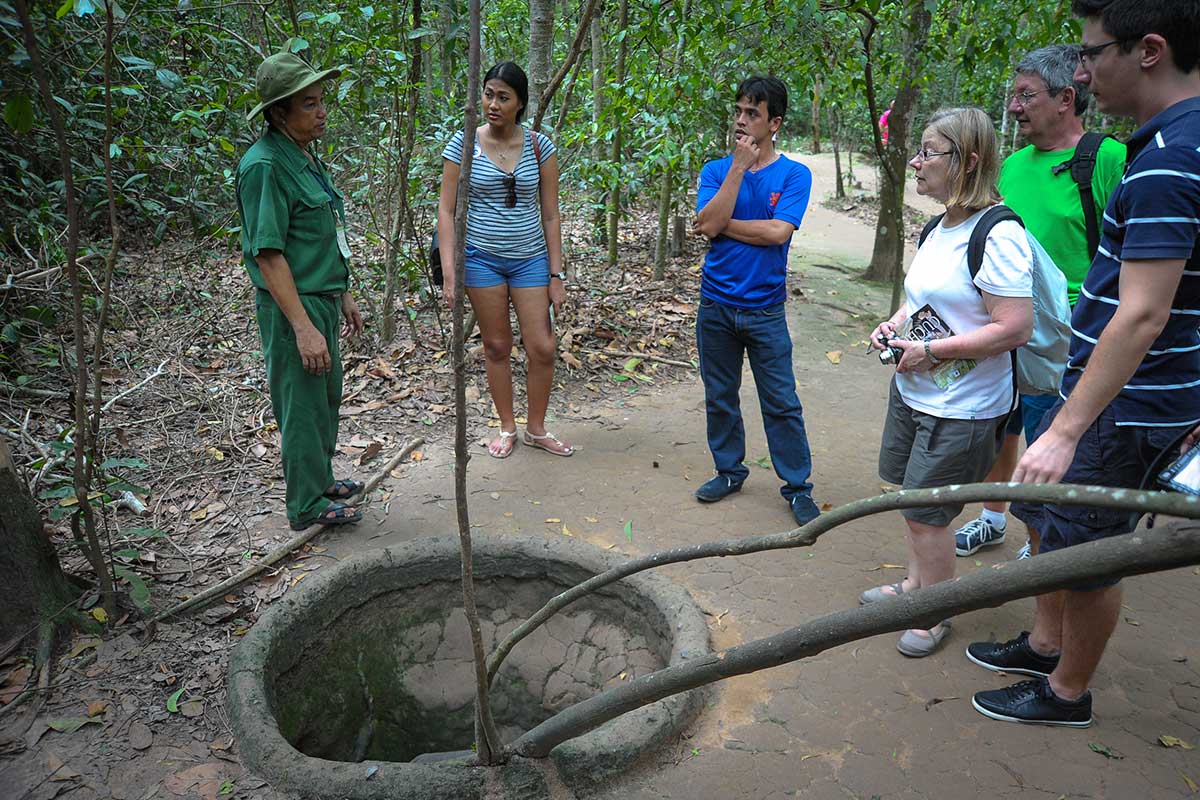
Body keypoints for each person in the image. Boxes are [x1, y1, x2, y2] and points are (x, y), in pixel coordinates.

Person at [968, 0, 1200, 727]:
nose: (1084, 72)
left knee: (1091, 554)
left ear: (1149, 50)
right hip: (1099, 388)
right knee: (1052, 523)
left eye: (1093, 53)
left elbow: (1143, 313)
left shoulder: (1168, 160)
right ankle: (1045, 645)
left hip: (1121, 406)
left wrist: (1066, 429)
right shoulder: (1165, 146)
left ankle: (1067, 692)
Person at [863, 107, 1033, 658]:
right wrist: (895, 324)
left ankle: (934, 613)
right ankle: (917, 587)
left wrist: (932, 351)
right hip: (917, 390)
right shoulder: (939, 226)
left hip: (963, 405)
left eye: (928, 152)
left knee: (927, 514)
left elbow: (1015, 328)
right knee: (914, 504)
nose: (916, 162)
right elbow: (924, 298)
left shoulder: (998, 234)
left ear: (968, 161)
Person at [953, 45, 1126, 560]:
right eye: (1014, 96)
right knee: (1000, 425)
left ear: (1066, 98)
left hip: (1069, 333)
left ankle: (1042, 539)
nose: (1014, 107)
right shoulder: (1012, 166)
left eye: (1026, 96)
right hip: (1005, 324)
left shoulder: (1107, 159)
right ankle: (992, 519)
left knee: (1048, 434)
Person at [236, 40, 365, 532]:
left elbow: (323, 231)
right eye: (309, 104)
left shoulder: (302, 156)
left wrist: (343, 292)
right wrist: (303, 327)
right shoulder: (265, 166)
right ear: (278, 113)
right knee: (301, 405)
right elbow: (268, 256)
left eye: (321, 101)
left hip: (321, 298)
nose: (321, 112)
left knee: (323, 399)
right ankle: (306, 504)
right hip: (294, 307)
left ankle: (320, 480)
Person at [691, 75, 820, 527]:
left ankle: (798, 487)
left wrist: (720, 224)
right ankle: (729, 471)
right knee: (719, 395)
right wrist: (738, 169)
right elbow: (707, 223)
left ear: (774, 123)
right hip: (716, 305)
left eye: (753, 113)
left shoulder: (794, 175)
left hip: (765, 310)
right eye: (739, 111)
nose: (741, 121)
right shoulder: (716, 171)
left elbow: (777, 232)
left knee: (781, 401)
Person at [437, 62, 570, 459]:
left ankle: (536, 429)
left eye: (503, 97)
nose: (493, 104)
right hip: (481, 260)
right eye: (488, 95)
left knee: (542, 346)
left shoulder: (539, 146)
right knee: (496, 346)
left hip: (530, 258)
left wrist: (556, 274)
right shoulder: (463, 144)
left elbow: (551, 214)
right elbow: (446, 210)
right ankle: (507, 427)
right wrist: (450, 273)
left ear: (520, 104)